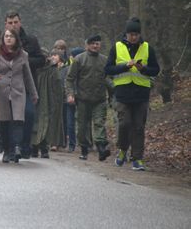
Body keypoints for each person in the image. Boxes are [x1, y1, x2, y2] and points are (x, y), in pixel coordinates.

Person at [105, 18, 160, 171]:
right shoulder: (117, 47)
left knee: (138, 127)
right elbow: (108, 69)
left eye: (136, 34)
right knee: (124, 124)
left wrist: (143, 69)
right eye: (131, 34)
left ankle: (137, 159)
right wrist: (124, 66)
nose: (133, 37)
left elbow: (156, 70)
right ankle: (122, 150)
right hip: (122, 94)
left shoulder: (148, 48)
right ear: (126, 34)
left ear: (139, 34)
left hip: (141, 94)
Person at [0, 28, 39, 163]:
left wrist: (33, 93)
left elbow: (28, 76)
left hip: (18, 92)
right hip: (2, 93)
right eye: (6, 36)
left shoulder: (23, 55)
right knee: (4, 123)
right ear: (3, 39)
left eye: (11, 36)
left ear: (16, 38)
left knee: (18, 120)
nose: (8, 38)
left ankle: (16, 147)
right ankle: (6, 150)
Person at [4, 11, 45, 158]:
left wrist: (24, 61)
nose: (13, 25)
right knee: (10, 118)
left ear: (20, 22)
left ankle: (25, 145)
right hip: (8, 86)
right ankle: (11, 147)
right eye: (10, 22)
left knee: (28, 114)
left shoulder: (31, 40)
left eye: (15, 22)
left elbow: (41, 60)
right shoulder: (2, 40)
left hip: (27, 85)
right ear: (6, 24)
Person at [66, 35, 113, 161]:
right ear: (87, 45)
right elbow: (70, 79)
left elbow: (109, 80)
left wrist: (112, 96)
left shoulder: (105, 60)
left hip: (100, 99)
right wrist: (70, 94)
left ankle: (101, 148)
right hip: (82, 99)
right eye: (92, 43)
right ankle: (84, 149)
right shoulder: (79, 59)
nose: (95, 46)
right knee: (82, 126)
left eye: (97, 43)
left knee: (99, 123)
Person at [31, 50, 65, 158]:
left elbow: (58, 85)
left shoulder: (53, 69)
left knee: (46, 124)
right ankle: (34, 147)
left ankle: (43, 148)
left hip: (49, 101)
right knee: (35, 123)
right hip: (36, 99)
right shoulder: (35, 68)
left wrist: (57, 101)